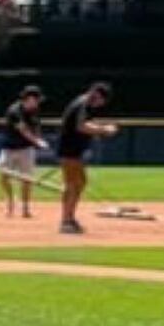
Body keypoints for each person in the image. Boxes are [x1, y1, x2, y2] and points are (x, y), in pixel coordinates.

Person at [49, 80, 114, 235]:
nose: (100, 105)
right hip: (69, 150)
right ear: (96, 95)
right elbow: (81, 126)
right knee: (72, 184)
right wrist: (103, 130)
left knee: (80, 182)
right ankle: (66, 221)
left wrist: (98, 129)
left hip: (75, 150)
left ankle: (70, 218)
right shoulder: (82, 104)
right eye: (101, 101)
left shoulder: (84, 104)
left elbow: (84, 124)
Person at [0, 83, 50, 221]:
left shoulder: (34, 111)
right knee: (3, 176)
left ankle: (25, 207)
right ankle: (10, 200)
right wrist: (37, 142)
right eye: (36, 100)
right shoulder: (14, 111)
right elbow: (23, 129)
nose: (38, 103)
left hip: (26, 149)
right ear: (29, 99)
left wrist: (38, 139)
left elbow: (36, 128)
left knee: (27, 179)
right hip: (9, 148)